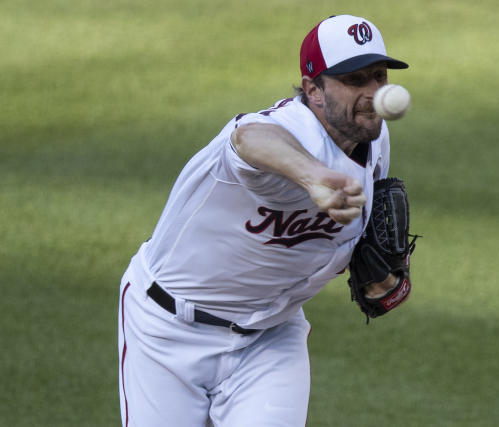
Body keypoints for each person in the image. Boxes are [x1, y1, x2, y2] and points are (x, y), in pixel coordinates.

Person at [118, 14, 409, 427]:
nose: (373, 93)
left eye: (379, 76)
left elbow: (355, 242)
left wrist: (374, 270)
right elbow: (249, 137)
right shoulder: (290, 129)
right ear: (314, 90)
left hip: (271, 336)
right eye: (354, 80)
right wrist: (311, 176)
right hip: (166, 332)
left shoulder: (374, 140)